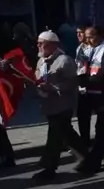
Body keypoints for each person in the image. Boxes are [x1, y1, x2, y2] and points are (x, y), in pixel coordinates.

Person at [31, 31, 86, 181]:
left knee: (54, 136)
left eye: (42, 43)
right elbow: (37, 74)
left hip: (63, 105)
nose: (38, 46)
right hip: (49, 104)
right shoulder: (41, 61)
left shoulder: (64, 61)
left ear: (53, 44)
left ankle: (49, 167)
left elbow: (73, 82)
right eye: (38, 43)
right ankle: (87, 157)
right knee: (67, 133)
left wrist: (54, 87)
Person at [77, 26, 104, 176]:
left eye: (91, 36)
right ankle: (93, 162)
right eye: (86, 37)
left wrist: (87, 81)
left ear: (100, 35)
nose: (88, 40)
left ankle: (94, 163)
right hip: (94, 97)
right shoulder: (90, 50)